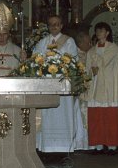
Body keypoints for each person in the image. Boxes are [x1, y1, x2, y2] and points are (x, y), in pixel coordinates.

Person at [33, 14, 83, 153]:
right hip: (46, 85)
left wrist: (58, 63)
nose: (54, 27)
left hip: (63, 83)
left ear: (61, 26)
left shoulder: (69, 41)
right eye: (51, 24)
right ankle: (47, 147)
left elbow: (73, 60)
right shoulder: (43, 42)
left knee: (63, 115)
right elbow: (36, 59)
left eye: (56, 24)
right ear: (48, 27)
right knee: (47, 114)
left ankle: (64, 147)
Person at [85, 22, 118, 155]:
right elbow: (87, 69)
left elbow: (116, 69)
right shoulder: (91, 51)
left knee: (110, 116)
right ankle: (98, 145)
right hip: (95, 86)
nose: (99, 33)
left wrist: (99, 67)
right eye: (97, 30)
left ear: (107, 33)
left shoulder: (114, 49)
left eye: (102, 30)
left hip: (110, 87)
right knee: (96, 116)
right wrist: (91, 71)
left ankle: (111, 145)